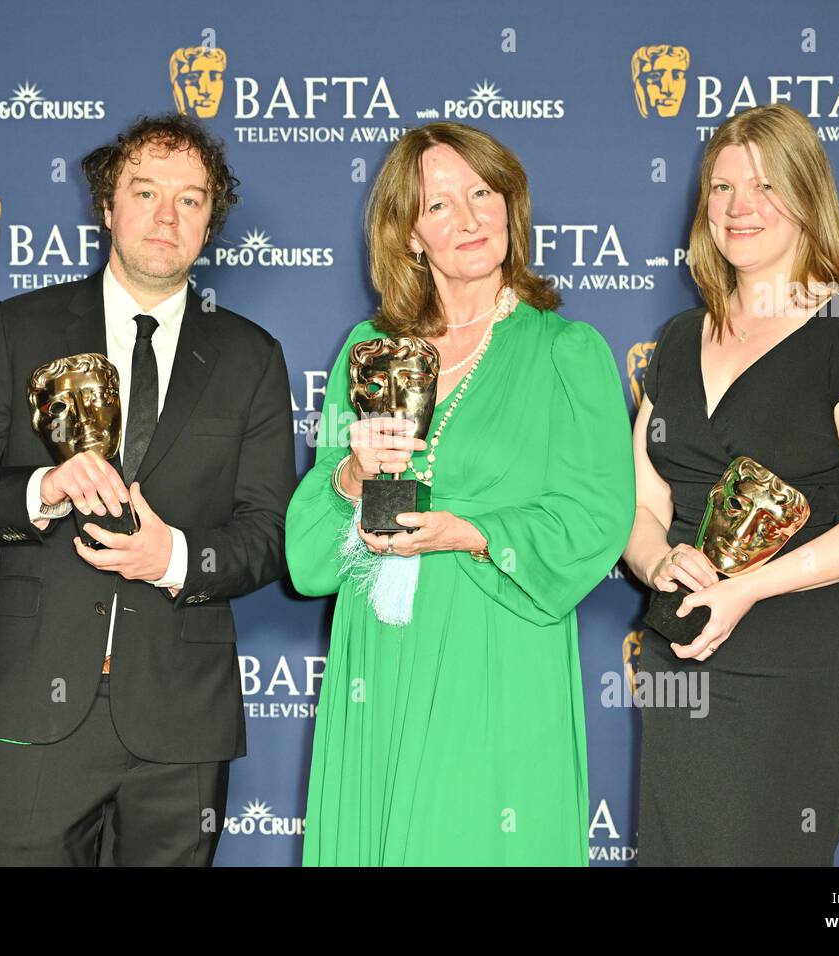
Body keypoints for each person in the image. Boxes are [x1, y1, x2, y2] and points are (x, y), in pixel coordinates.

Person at [0, 112, 295, 866]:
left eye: (190, 199)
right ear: (107, 206)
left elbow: (271, 533)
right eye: (145, 191)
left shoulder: (252, 357)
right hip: (38, 699)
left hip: (182, 717)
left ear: (211, 222)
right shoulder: (19, 327)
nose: (166, 215)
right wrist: (44, 487)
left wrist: (174, 557)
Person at [285, 121, 635, 865]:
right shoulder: (366, 351)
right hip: (378, 663)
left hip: (495, 651)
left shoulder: (566, 352)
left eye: (483, 192)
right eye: (439, 205)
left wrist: (470, 532)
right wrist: (350, 476)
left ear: (511, 205)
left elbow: (596, 517)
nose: (470, 217)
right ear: (410, 235)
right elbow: (311, 556)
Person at [623, 103, 839, 865]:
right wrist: (657, 559)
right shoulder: (679, 339)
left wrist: (750, 587)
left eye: (763, 186)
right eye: (722, 189)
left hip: (801, 652)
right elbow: (641, 499)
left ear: (806, 196)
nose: (739, 208)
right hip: (683, 645)